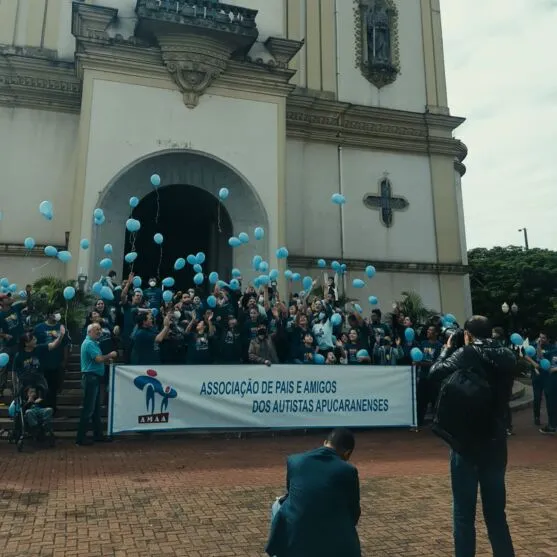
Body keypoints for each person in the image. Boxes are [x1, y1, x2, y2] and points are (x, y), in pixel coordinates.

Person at [429, 315, 515, 557]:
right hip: (496, 439)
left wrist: (447, 349)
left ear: (467, 334)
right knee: (496, 514)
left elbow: (435, 374)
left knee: (464, 514)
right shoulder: (507, 355)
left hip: (466, 441)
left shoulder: (467, 354)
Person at [265, 428, 361, 557]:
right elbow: (354, 512)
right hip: (331, 536)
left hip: (294, 535)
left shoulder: (295, 461)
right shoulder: (348, 470)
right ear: (347, 453)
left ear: (325, 442)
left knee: (277, 505)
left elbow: (291, 495)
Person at [76, 323, 118, 446]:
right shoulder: (89, 343)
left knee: (95, 409)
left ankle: (98, 435)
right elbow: (98, 359)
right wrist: (110, 355)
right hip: (91, 378)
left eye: (100, 329)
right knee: (89, 409)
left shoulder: (92, 343)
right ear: (89, 332)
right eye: (96, 330)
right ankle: (81, 438)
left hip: (94, 377)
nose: (99, 331)